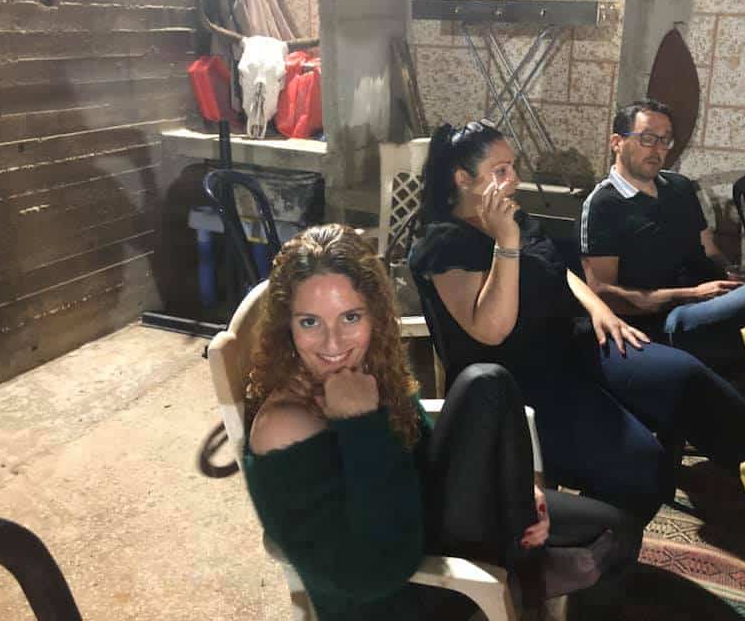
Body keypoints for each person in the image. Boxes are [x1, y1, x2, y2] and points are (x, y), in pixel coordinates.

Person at [242, 224, 639, 621]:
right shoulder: (283, 429)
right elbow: (373, 575)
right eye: (309, 322)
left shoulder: (365, 367)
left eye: (350, 317)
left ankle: (528, 574)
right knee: (600, 547)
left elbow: (425, 453)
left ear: (374, 315)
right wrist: (361, 425)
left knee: (489, 384)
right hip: (400, 596)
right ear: (286, 325)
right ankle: (526, 576)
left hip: (425, 518)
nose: (333, 343)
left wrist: (518, 488)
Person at [409, 121, 745, 527]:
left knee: (686, 378)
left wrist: (599, 309)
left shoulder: (512, 215)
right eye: (501, 170)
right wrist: (505, 243)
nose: (515, 179)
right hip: (521, 379)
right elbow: (491, 329)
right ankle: (590, 544)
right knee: (642, 467)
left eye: (513, 167)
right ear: (462, 179)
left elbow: (555, 267)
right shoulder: (445, 244)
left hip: (572, 340)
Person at [577, 98, 745, 373]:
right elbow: (604, 293)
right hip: (663, 318)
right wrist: (691, 294)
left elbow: (709, 249)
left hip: (704, 299)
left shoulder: (679, 186)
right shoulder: (603, 205)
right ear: (617, 142)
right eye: (647, 138)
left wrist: (728, 275)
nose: (658, 149)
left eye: (665, 140)